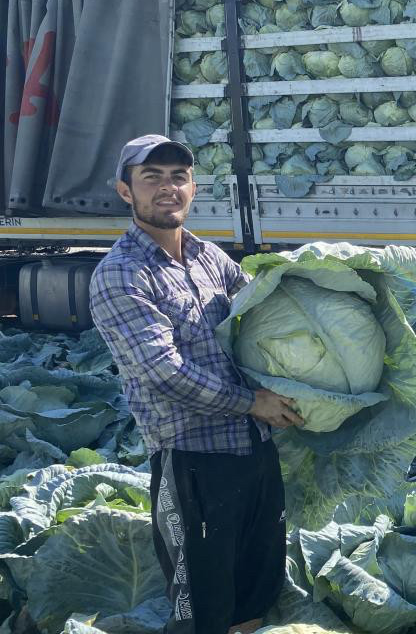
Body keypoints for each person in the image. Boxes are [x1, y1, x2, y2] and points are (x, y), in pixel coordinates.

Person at [89, 134, 304, 634]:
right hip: (193, 461)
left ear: (193, 187)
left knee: (257, 588)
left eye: (178, 178)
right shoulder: (121, 274)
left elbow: (267, 309)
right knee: (203, 606)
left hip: (256, 449)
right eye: (152, 178)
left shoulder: (210, 259)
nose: (168, 188)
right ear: (126, 192)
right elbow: (163, 372)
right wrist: (253, 402)